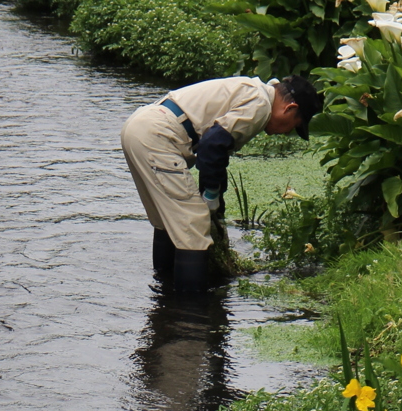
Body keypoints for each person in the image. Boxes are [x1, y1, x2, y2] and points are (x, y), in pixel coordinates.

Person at [120, 75, 321, 293]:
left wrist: (214, 195)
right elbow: (212, 145)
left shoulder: (253, 88)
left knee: (168, 222)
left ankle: (164, 295)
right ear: (290, 108)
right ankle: (192, 315)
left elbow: (217, 154)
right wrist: (211, 195)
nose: (288, 132)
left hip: (139, 126)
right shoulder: (261, 105)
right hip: (158, 136)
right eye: (295, 126)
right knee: (195, 225)